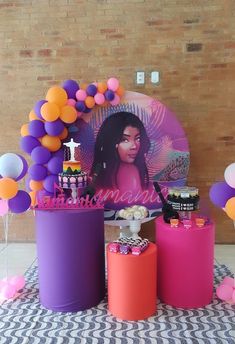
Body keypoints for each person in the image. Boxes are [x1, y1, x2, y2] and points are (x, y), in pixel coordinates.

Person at [90, 111, 150, 193]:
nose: (134, 146)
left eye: (138, 139)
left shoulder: (133, 170)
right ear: (110, 141)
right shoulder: (97, 174)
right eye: (125, 140)